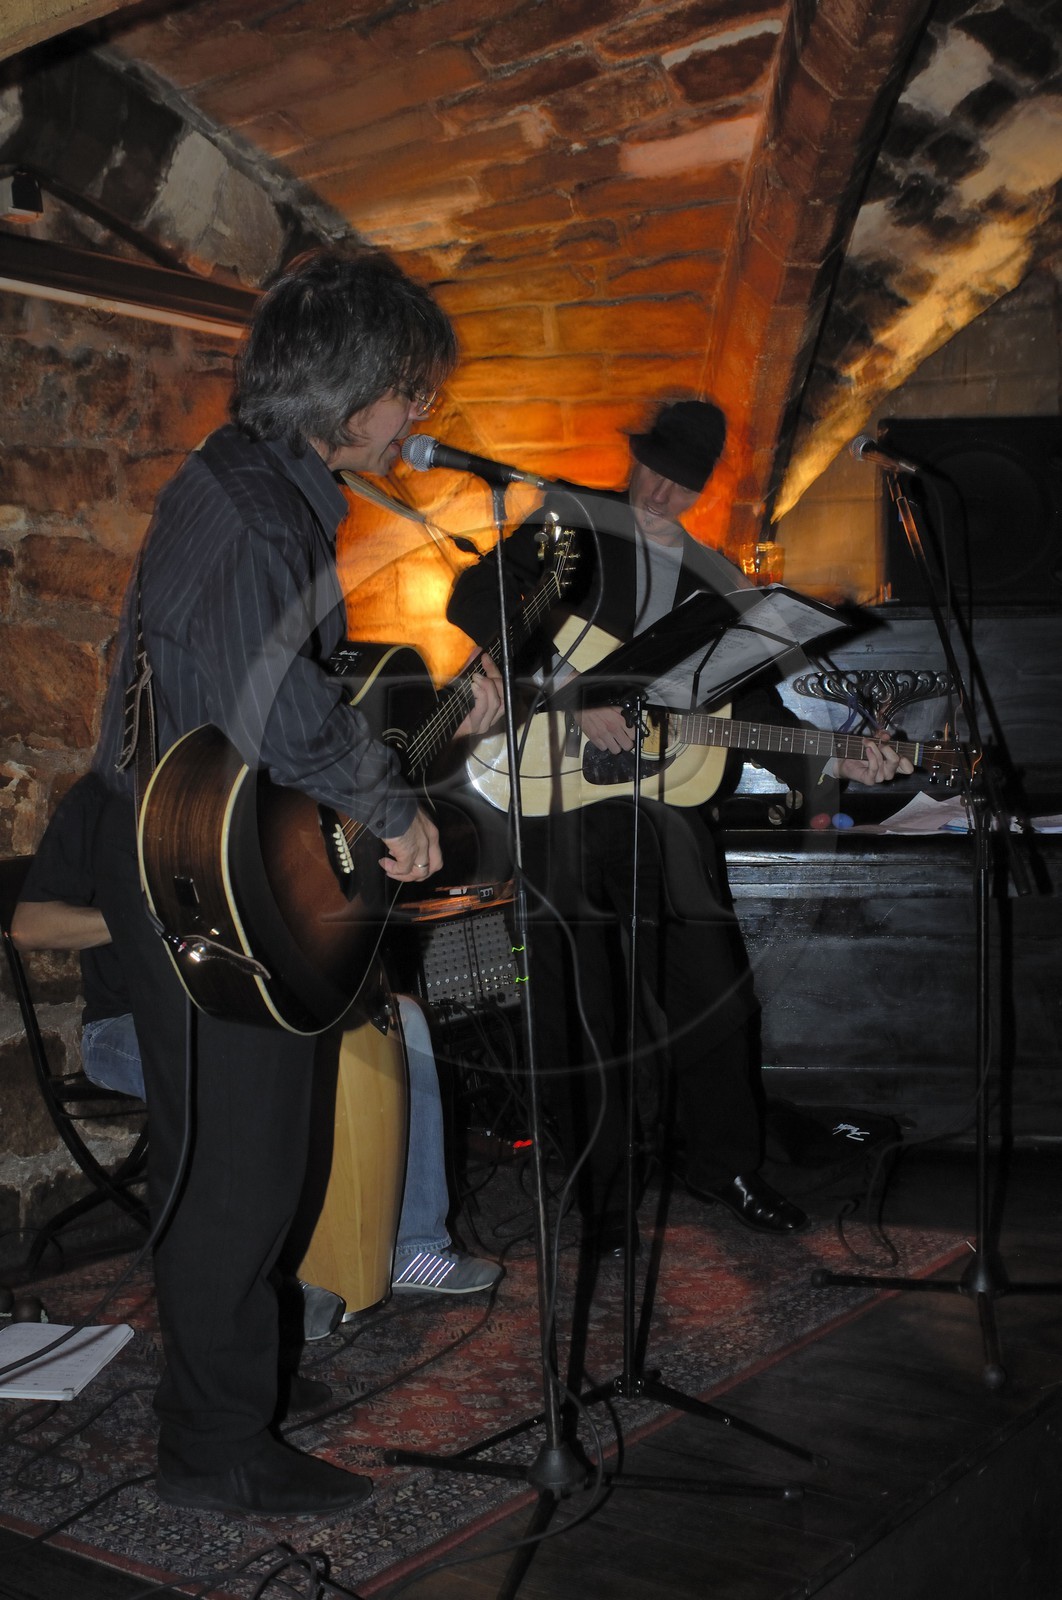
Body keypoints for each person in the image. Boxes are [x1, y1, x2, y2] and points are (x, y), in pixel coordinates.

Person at [88, 249, 503, 1518]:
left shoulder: (267, 491)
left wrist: (422, 743)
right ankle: (211, 1450)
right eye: (404, 391)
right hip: (187, 866)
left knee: (257, 1156)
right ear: (350, 386)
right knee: (240, 1165)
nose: (414, 418)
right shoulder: (255, 505)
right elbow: (261, 705)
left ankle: (235, 1386)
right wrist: (389, 805)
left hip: (203, 845)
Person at [446, 398, 912, 1253]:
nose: (663, 490)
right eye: (655, 468)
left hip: (666, 811)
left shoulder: (712, 574)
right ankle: (600, 1191)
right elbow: (477, 603)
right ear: (633, 459)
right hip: (558, 801)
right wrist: (575, 693)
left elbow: (749, 698)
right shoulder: (571, 525)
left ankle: (726, 1164)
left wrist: (830, 756)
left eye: (683, 481)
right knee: (580, 1005)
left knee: (716, 993)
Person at [12, 774, 503, 1307]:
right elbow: (30, 926)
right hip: (125, 1025)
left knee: (403, 1020)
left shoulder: (255, 788)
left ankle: (414, 1247)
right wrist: (138, 921)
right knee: (242, 1061)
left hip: (252, 1009)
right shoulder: (101, 796)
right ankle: (277, 1283)